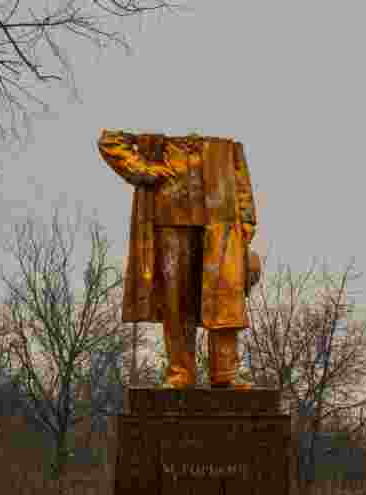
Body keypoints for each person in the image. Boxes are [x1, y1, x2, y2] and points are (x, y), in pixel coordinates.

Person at [98, 129, 259, 389]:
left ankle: (226, 371)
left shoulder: (224, 133)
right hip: (170, 212)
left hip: (221, 214)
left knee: (225, 295)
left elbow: (236, 160)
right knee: (176, 298)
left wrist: (247, 215)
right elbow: (110, 141)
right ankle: (180, 372)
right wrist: (143, 169)